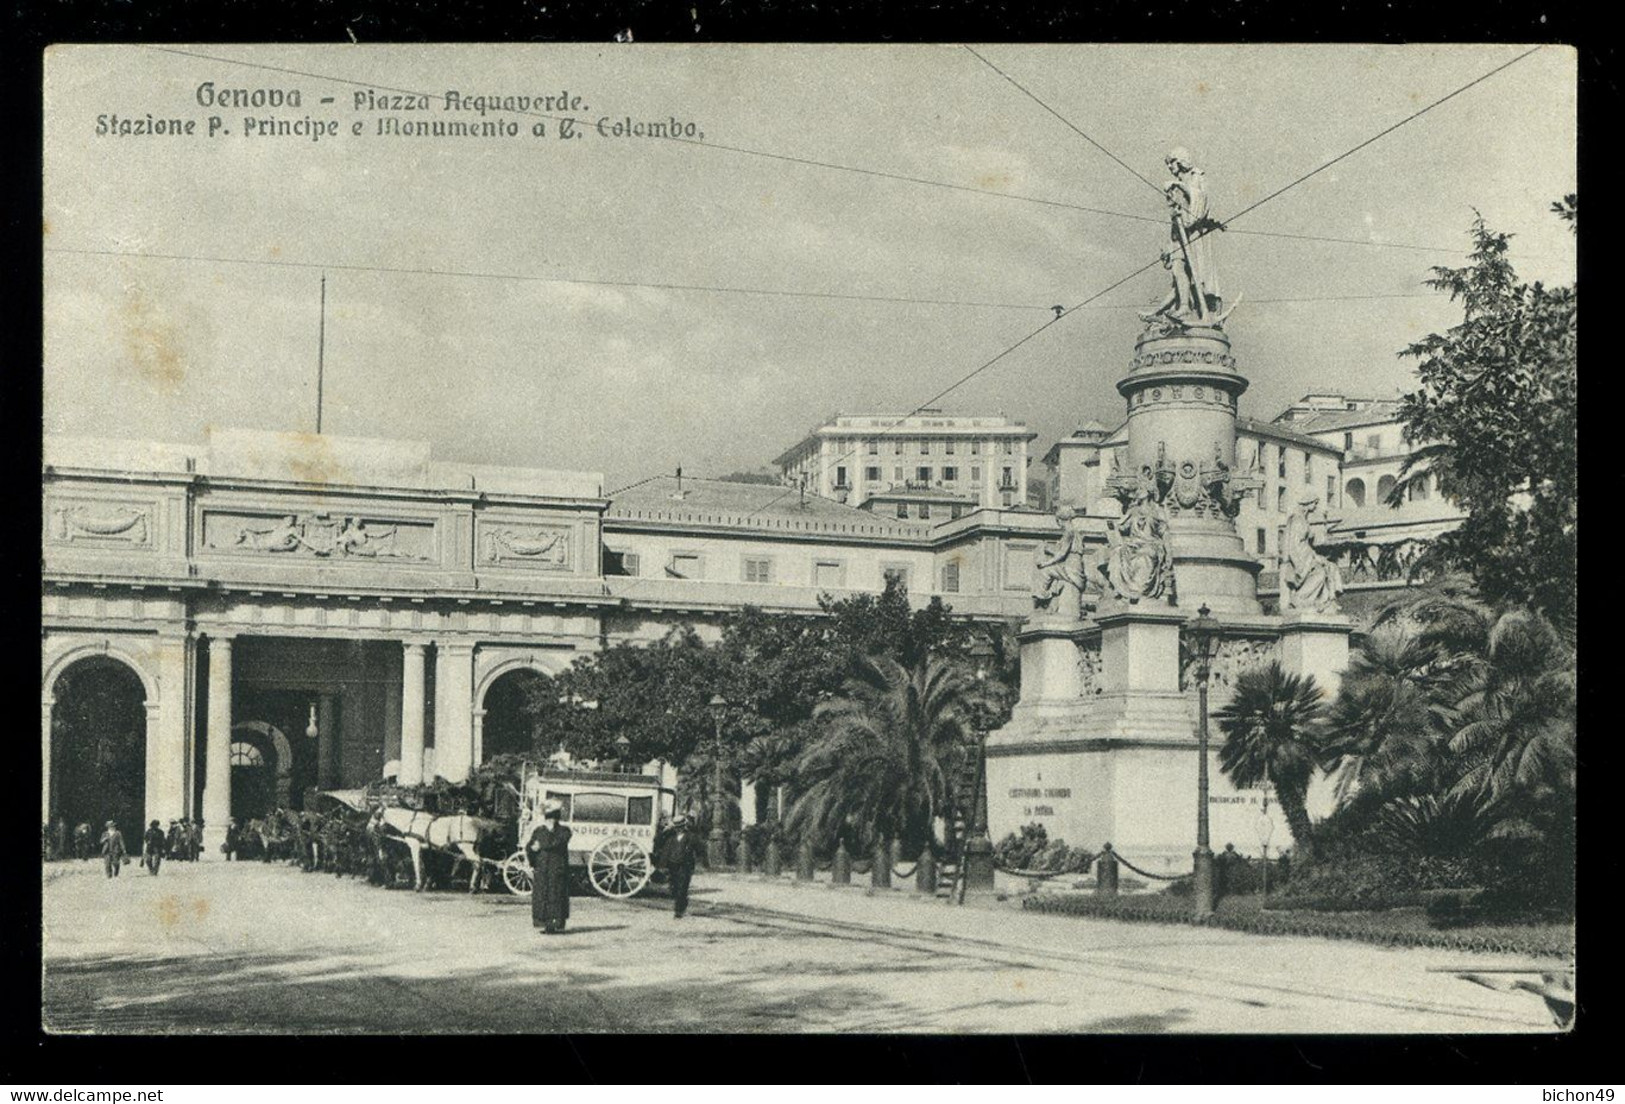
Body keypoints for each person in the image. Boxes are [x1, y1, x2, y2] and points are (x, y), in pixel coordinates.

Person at [526, 800, 572, 934]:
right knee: (542, 896)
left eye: (552, 819)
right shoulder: (539, 830)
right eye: (548, 819)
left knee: (555, 895)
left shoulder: (564, 831)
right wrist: (532, 851)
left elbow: (558, 843)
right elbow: (530, 846)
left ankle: (554, 924)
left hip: (556, 868)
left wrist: (541, 846)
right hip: (542, 867)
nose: (550, 821)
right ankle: (544, 924)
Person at [657, 814, 702, 919]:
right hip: (672, 865)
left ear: (684, 826)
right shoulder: (670, 836)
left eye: (680, 826)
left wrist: (698, 862)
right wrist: (664, 831)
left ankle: (679, 911)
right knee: (675, 888)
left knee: (682, 888)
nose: (678, 829)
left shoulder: (691, 837)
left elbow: (700, 850)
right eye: (676, 827)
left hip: (685, 866)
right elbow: (657, 842)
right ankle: (680, 908)